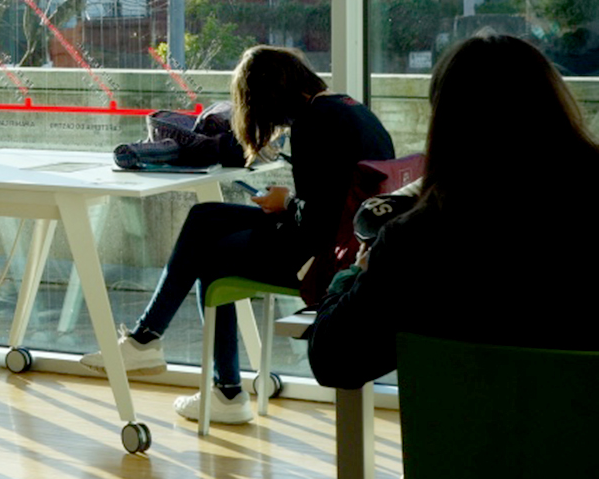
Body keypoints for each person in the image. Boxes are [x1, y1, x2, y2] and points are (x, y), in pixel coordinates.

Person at [82, 45, 395, 424]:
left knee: (210, 255)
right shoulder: (350, 109)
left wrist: (286, 203)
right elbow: (337, 202)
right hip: (349, 247)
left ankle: (222, 389)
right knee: (205, 217)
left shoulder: (312, 124)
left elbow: (314, 221)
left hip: (320, 260)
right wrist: (290, 203)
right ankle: (147, 341)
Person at [307, 32, 599, 388]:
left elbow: (334, 362)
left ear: (446, 124)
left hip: (471, 442)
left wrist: (353, 274)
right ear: (554, 104)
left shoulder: (419, 240)